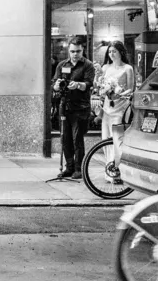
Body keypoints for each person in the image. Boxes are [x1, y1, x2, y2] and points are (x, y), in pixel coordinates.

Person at [51, 36, 95, 180]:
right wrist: (57, 85)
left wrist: (77, 85)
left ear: (82, 50)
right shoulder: (62, 65)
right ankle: (69, 167)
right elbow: (54, 83)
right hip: (65, 106)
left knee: (77, 139)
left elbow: (89, 84)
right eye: (72, 51)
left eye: (78, 51)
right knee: (65, 139)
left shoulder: (87, 65)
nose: (75, 54)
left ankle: (78, 168)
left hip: (81, 107)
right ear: (68, 51)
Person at [98, 41, 136, 185]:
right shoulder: (106, 67)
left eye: (114, 51)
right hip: (107, 107)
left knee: (117, 140)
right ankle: (108, 170)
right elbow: (100, 84)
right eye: (110, 52)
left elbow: (131, 89)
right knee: (106, 139)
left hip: (120, 107)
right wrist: (103, 88)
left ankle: (117, 171)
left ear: (121, 52)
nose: (111, 54)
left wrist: (118, 93)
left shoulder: (128, 68)